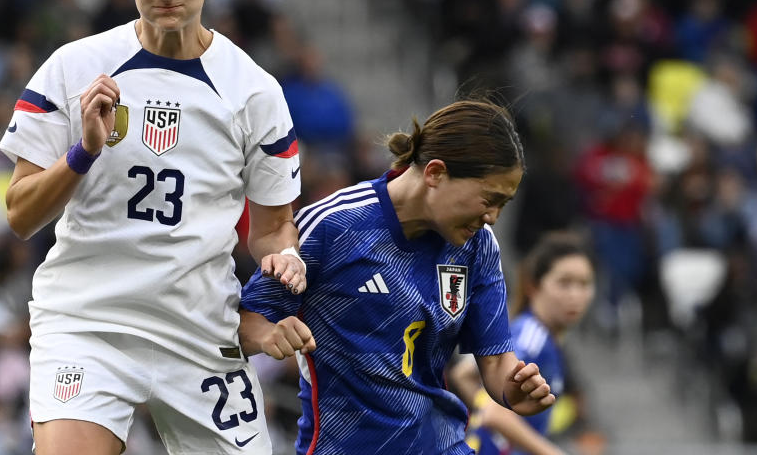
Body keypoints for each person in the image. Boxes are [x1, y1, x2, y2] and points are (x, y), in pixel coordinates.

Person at [0, 0, 311, 455]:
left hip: (199, 332)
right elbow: (21, 214)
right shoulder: (74, 68)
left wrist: (283, 256)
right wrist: (82, 153)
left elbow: (270, 229)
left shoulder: (255, 92)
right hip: (88, 322)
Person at [238, 99, 556, 454]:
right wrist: (268, 333)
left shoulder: (478, 247)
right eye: (489, 199)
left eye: (504, 205)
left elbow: (496, 360)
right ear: (435, 173)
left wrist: (513, 390)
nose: (493, 216)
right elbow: (242, 324)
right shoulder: (333, 226)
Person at [452, 233, 596, 455]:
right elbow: (494, 414)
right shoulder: (532, 338)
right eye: (564, 283)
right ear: (534, 287)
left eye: (584, 284)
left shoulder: (536, 335)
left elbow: (463, 374)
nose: (576, 294)